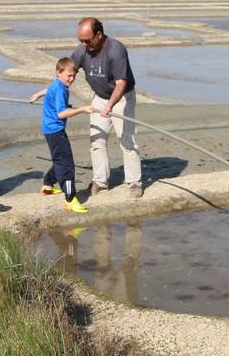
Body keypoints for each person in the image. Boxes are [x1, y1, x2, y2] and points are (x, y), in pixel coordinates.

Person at [70, 17, 143, 198]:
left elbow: (121, 83)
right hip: (100, 97)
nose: (84, 45)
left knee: (127, 141)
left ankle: (134, 182)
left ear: (99, 35)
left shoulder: (115, 49)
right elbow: (67, 71)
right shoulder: (83, 50)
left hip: (121, 98)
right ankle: (100, 182)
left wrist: (110, 106)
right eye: (81, 41)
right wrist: (50, 93)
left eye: (87, 40)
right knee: (97, 140)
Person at [28, 58, 93, 213]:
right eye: (69, 75)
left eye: (74, 77)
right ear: (58, 72)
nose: (71, 79)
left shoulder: (57, 84)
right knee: (67, 165)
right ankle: (70, 199)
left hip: (50, 129)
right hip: (55, 131)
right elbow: (62, 113)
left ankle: (47, 184)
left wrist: (38, 94)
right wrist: (82, 109)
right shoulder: (60, 89)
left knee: (60, 160)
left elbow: (48, 90)